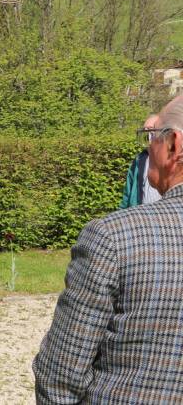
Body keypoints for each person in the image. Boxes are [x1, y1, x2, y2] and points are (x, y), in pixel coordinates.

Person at [33, 95, 183, 402]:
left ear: (173, 145)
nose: (147, 148)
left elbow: (61, 374)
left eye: (152, 138)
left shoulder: (114, 237)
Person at [120, 113, 162, 208]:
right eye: (145, 131)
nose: (147, 135)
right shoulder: (139, 160)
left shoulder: (174, 160)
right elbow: (127, 195)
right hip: (141, 218)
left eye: (151, 129)